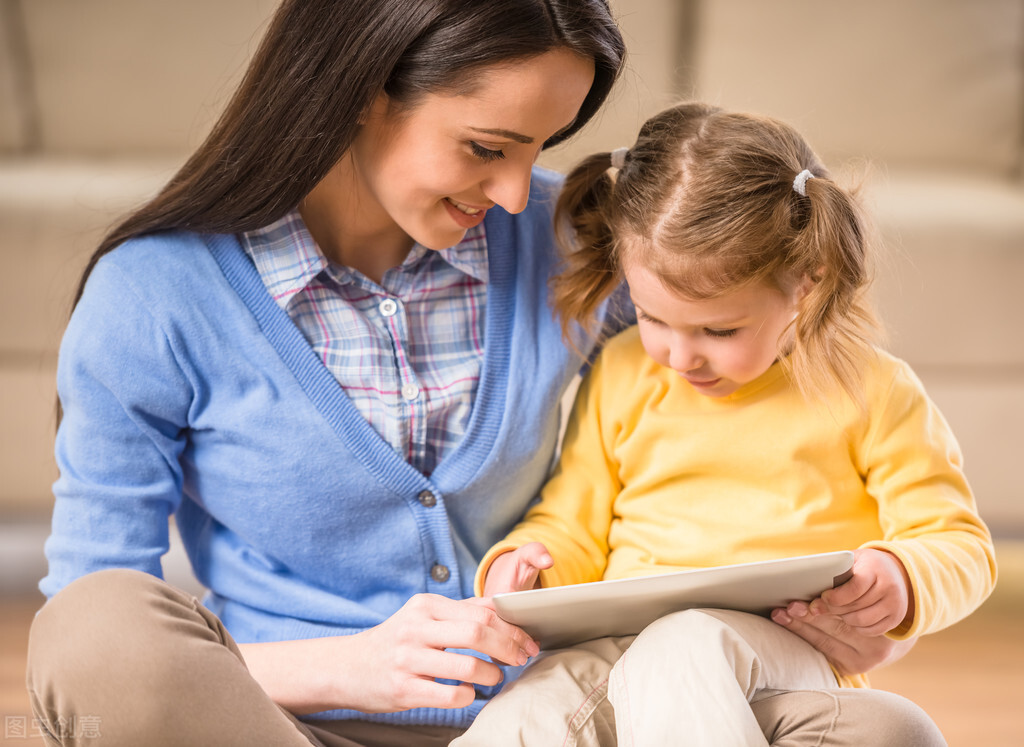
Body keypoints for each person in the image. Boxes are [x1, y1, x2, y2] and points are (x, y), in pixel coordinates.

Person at [23, 0, 946, 742]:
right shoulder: (156, 294)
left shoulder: (583, 249)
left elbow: (762, 415)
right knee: (95, 635)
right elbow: (92, 608)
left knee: (884, 728)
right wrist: (350, 667)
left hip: (588, 711)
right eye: (486, 147)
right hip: (289, 723)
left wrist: (858, 612)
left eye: (540, 148)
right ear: (360, 90)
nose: (515, 194)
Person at [453, 102, 996, 746]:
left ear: (807, 283)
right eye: (654, 319)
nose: (680, 357)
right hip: (618, 643)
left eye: (719, 330)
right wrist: (529, 567)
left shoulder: (871, 388)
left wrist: (903, 576)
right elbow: (573, 518)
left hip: (783, 651)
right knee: (529, 706)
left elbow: (959, 543)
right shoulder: (624, 371)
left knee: (686, 642)